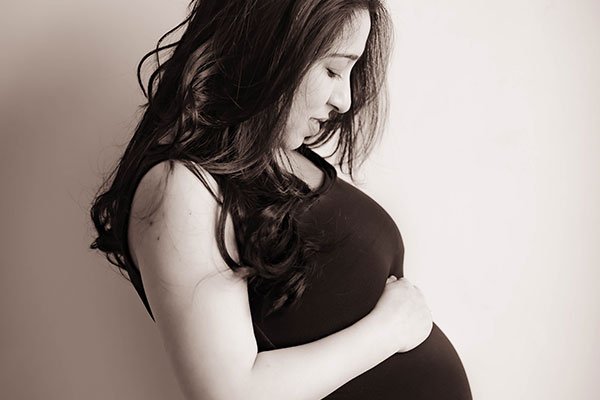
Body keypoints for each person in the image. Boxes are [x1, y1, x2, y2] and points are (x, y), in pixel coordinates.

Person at [90, 0, 472, 398]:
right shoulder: (181, 187)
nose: (345, 99)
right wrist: (388, 331)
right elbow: (228, 393)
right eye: (332, 69)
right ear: (271, 50)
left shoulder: (280, 157)